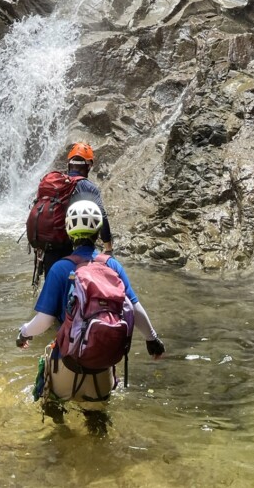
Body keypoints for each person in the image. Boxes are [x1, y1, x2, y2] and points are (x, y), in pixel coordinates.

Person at [16, 199, 166, 434]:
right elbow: (135, 309)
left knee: (52, 407)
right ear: (98, 230)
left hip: (65, 367)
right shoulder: (113, 265)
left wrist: (23, 333)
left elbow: (43, 322)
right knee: (98, 423)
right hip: (102, 370)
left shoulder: (61, 269)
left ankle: (59, 447)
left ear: (68, 231)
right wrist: (153, 340)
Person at [30, 142, 114, 284]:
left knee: (52, 288)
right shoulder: (87, 187)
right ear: (88, 166)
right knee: (73, 288)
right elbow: (102, 216)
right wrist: (108, 247)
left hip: (48, 246)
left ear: (69, 164)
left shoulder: (55, 184)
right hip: (70, 247)